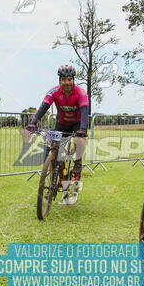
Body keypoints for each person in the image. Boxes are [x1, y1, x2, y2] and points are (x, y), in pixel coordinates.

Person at [27, 65, 89, 196]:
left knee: (79, 140)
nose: (67, 82)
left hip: (77, 124)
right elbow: (43, 107)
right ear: (60, 80)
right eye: (64, 79)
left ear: (73, 80)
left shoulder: (81, 92)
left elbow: (84, 111)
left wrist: (83, 129)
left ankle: (78, 163)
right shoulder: (54, 92)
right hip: (61, 124)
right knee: (55, 151)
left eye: (70, 79)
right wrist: (33, 122)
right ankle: (55, 181)